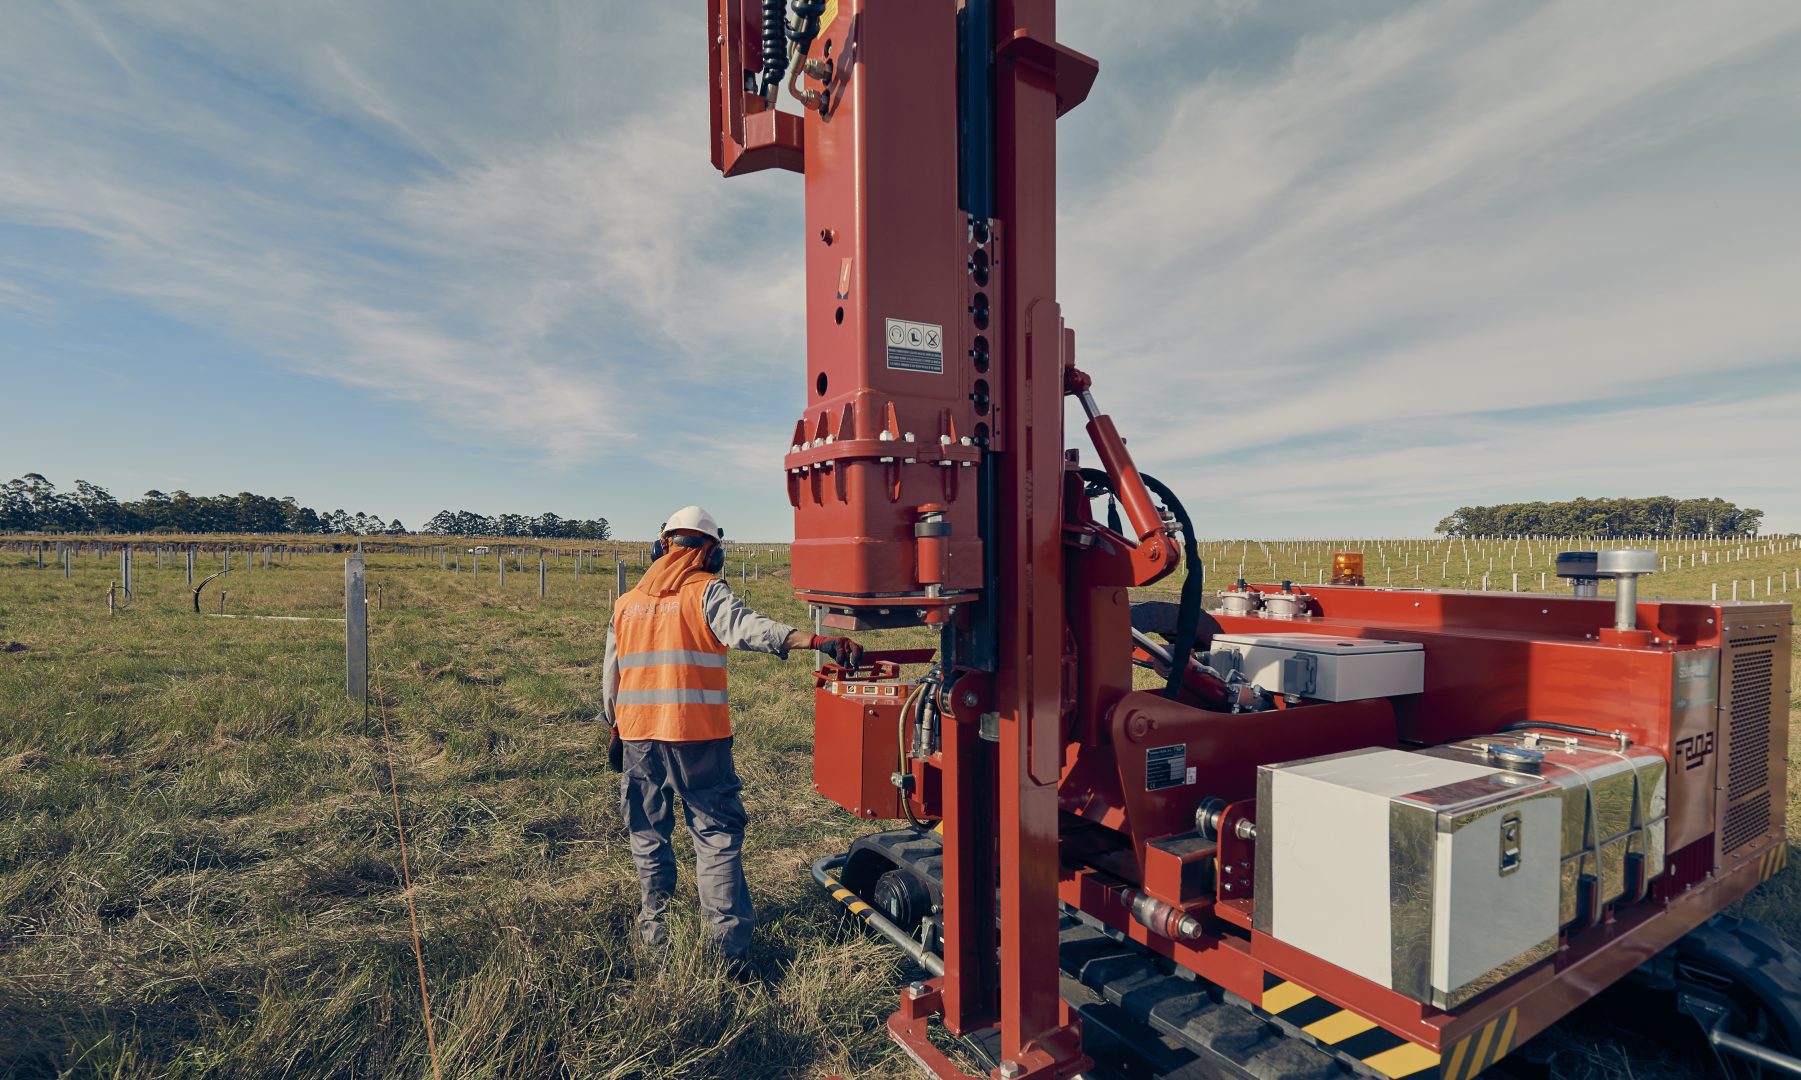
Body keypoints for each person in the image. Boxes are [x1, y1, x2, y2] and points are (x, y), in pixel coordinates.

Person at [601, 505, 863, 974]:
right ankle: (727, 957)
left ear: (663, 545)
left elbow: (611, 680)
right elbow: (747, 629)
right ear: (710, 550)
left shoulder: (626, 603)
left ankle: (654, 939)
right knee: (716, 836)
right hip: (696, 737)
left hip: (639, 737)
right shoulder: (706, 591)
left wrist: (616, 726)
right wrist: (814, 640)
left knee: (647, 834)